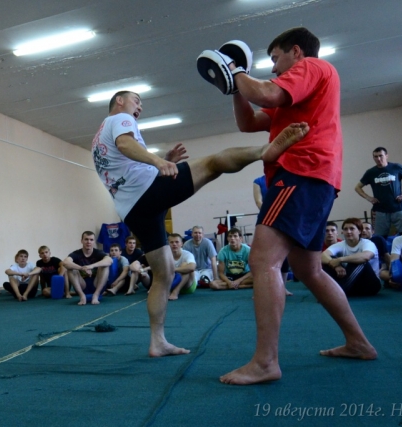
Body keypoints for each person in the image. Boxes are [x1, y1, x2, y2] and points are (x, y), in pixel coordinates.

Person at [91, 88, 306, 358]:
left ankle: (157, 342)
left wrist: (164, 161)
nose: (140, 107)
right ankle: (264, 151)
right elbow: (125, 145)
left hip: (132, 210)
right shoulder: (119, 118)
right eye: (137, 100)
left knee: (163, 275)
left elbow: (122, 165)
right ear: (119, 101)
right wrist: (158, 161)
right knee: (214, 163)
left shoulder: (97, 139)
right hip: (148, 190)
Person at [215, 27, 376, 385]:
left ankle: (265, 363)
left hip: (300, 172)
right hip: (315, 179)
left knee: (262, 261)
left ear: (297, 52)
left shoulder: (314, 67)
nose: (274, 68)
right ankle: (358, 343)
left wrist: (235, 69)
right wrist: (234, 87)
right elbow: (248, 122)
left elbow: (267, 92)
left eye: (276, 58)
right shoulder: (298, 99)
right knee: (309, 269)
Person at [355, 148, 402, 237]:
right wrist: (369, 198)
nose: (378, 159)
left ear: (386, 156)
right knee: (380, 237)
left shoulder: (396, 167)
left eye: (381, 156)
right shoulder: (370, 172)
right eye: (376, 156)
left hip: (399, 207)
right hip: (380, 209)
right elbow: (357, 187)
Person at [322, 218, 381, 297]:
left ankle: (336, 293)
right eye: (345, 229)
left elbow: (366, 256)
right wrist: (336, 265)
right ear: (343, 232)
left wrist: (340, 260)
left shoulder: (368, 243)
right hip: (351, 284)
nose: (348, 231)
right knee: (329, 259)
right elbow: (322, 256)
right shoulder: (340, 244)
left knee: (360, 261)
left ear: (359, 231)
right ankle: (334, 289)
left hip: (369, 285)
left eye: (352, 229)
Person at [62, 231, 112, 305]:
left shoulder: (98, 252)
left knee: (105, 266)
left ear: (94, 241)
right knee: (71, 268)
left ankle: (96, 295)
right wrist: (82, 268)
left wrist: (91, 266)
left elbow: (110, 260)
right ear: (81, 241)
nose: (89, 242)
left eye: (91, 240)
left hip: (97, 284)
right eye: (86, 239)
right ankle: (82, 296)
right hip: (82, 286)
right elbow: (65, 262)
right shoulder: (76, 253)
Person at [168, 234, 197, 300]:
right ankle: (167, 291)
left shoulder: (187, 254)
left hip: (188, 286)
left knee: (184, 264)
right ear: (168, 244)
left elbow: (192, 267)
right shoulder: (166, 255)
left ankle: (175, 292)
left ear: (181, 244)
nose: (174, 244)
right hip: (173, 284)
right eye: (171, 242)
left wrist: (173, 269)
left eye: (177, 242)